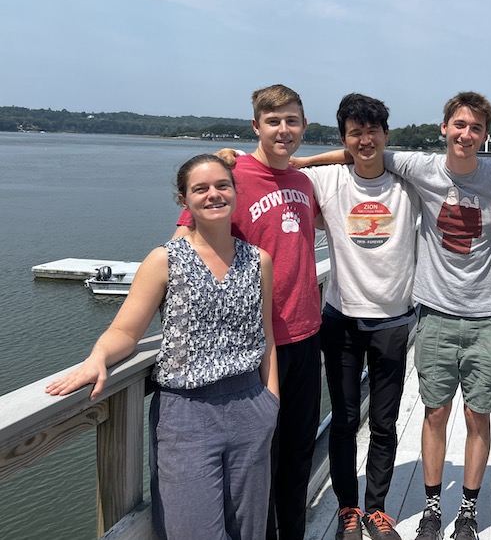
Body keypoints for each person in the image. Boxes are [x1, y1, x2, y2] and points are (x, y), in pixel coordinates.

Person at [299, 92, 491, 540]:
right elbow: (360, 147)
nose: (466, 134)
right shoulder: (420, 167)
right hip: (434, 312)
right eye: (459, 125)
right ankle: (433, 507)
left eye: (475, 128)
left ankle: (469, 511)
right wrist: (300, 165)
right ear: (444, 128)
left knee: (479, 416)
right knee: (434, 412)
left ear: (485, 135)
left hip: (489, 316)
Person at [46, 154, 279, 540]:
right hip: (185, 415)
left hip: (250, 406)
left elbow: (266, 338)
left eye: (222, 185)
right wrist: (98, 357)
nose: (213, 195)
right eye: (200, 189)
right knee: (193, 530)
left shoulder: (259, 260)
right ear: (183, 201)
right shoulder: (164, 259)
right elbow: (125, 329)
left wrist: (271, 401)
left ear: (236, 192)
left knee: (249, 531)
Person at [177, 84, 321, 540]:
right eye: (273, 121)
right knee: (256, 461)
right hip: (253, 348)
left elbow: (354, 155)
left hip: (305, 336)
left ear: (303, 126)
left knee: (297, 456)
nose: (284, 129)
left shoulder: (302, 181)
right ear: (255, 126)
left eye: (292, 120)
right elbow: (185, 250)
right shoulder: (230, 178)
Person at [298, 94, 419, 540]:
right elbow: (273, 174)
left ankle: (378, 508)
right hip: (341, 318)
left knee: (384, 423)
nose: (365, 140)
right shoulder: (328, 180)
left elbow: (459, 172)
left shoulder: (409, 183)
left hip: (392, 318)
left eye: (372, 132)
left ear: (386, 135)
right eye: (355, 133)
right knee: (346, 419)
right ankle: (348, 508)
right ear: (344, 139)